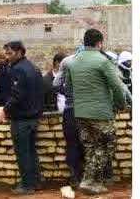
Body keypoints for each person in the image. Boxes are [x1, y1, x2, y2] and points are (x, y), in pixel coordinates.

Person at [68, 29, 128, 196]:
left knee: (91, 148)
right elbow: (117, 86)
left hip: (80, 113)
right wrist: (121, 104)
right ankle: (88, 181)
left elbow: (68, 87)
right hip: (100, 113)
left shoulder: (72, 62)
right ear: (100, 43)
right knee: (107, 145)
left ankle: (96, 183)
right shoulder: (103, 61)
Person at [0, 40, 44, 195]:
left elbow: (17, 96)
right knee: (30, 152)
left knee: (23, 153)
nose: (7, 57)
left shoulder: (18, 70)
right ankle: (35, 182)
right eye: (6, 53)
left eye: (10, 53)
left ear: (20, 52)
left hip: (22, 119)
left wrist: (3, 112)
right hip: (33, 118)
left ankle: (27, 185)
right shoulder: (32, 67)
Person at [54, 49, 85, 190]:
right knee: (88, 143)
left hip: (71, 110)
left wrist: (66, 92)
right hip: (89, 109)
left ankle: (75, 177)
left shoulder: (66, 62)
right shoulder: (96, 61)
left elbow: (55, 84)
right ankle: (89, 177)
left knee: (72, 144)